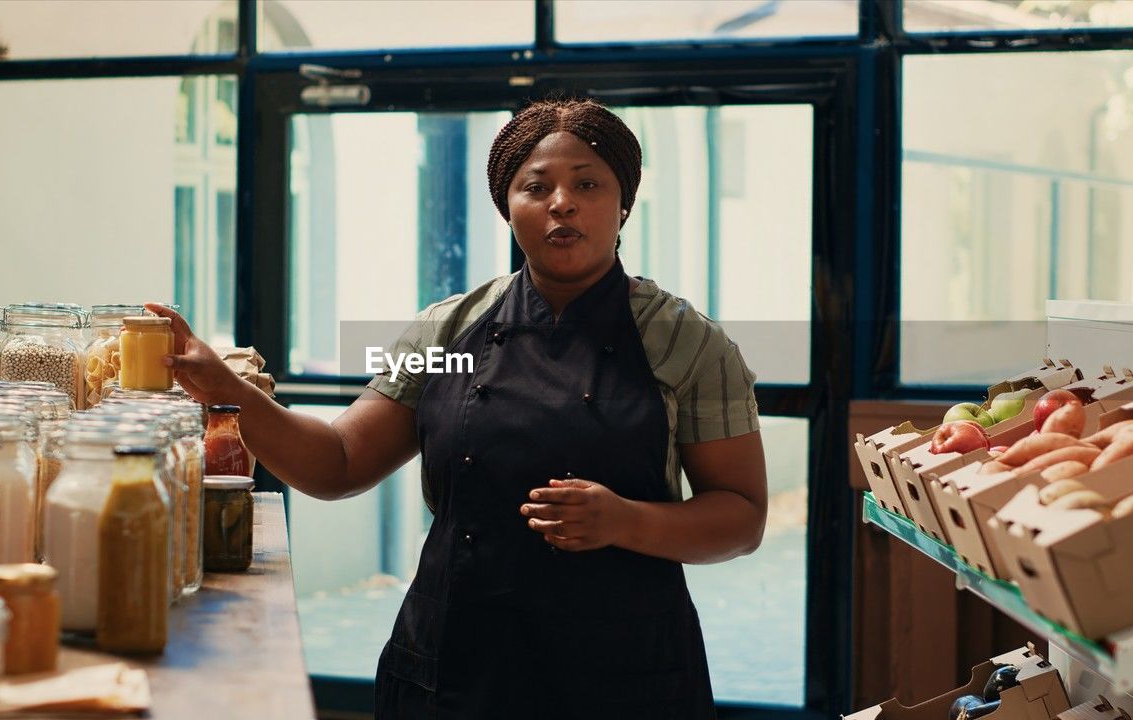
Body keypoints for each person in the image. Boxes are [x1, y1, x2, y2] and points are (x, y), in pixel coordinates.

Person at [146, 98, 768, 720]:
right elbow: (337, 463)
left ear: (624, 201)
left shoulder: (688, 344)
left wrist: (624, 522)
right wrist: (226, 389)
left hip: (624, 676)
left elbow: (741, 516)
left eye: (587, 184)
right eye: (536, 186)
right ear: (507, 207)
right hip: (454, 668)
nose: (562, 203)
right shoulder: (446, 336)